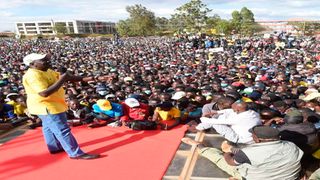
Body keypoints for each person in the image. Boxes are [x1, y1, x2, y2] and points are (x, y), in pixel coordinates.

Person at [22, 53, 100, 160]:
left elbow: (68, 77)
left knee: (48, 127)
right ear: (32, 64)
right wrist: (63, 79)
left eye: (46, 59)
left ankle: (55, 147)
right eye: (43, 60)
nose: (47, 61)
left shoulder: (46, 70)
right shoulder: (33, 75)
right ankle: (75, 153)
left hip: (52, 103)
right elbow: (44, 93)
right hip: (46, 106)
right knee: (62, 130)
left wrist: (93, 78)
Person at [181, 125, 304, 180]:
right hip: (288, 177)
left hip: (254, 176)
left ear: (257, 139)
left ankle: (200, 146)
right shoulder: (291, 145)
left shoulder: (249, 152)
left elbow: (230, 162)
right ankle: (229, 149)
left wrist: (227, 153)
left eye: (253, 135)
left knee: (219, 159)